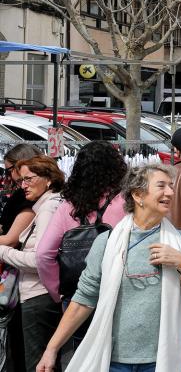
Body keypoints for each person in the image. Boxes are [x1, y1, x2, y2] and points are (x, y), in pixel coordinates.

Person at [36, 164, 181, 372]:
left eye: (171, 186)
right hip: (113, 358)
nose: (171, 193)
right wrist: (51, 349)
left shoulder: (180, 243)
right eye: (162, 186)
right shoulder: (108, 242)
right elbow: (83, 299)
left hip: (160, 358)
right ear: (138, 195)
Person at [37, 141, 128, 303]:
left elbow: (43, 254)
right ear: (116, 167)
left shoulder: (67, 206)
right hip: (116, 292)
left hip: (76, 294)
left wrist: (58, 291)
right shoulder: (126, 202)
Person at [0, 156, 63, 371]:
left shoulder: (48, 209)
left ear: (48, 179)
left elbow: (40, 259)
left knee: (39, 363)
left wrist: (3, 252)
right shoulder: (51, 204)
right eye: (21, 181)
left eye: (29, 179)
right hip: (42, 294)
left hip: (38, 294)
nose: (23, 185)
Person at [0, 144, 42, 371]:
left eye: (9, 170)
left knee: (21, 345)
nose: (9, 177)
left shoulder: (35, 201)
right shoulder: (24, 195)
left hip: (25, 281)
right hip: (18, 275)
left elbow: (12, 239)